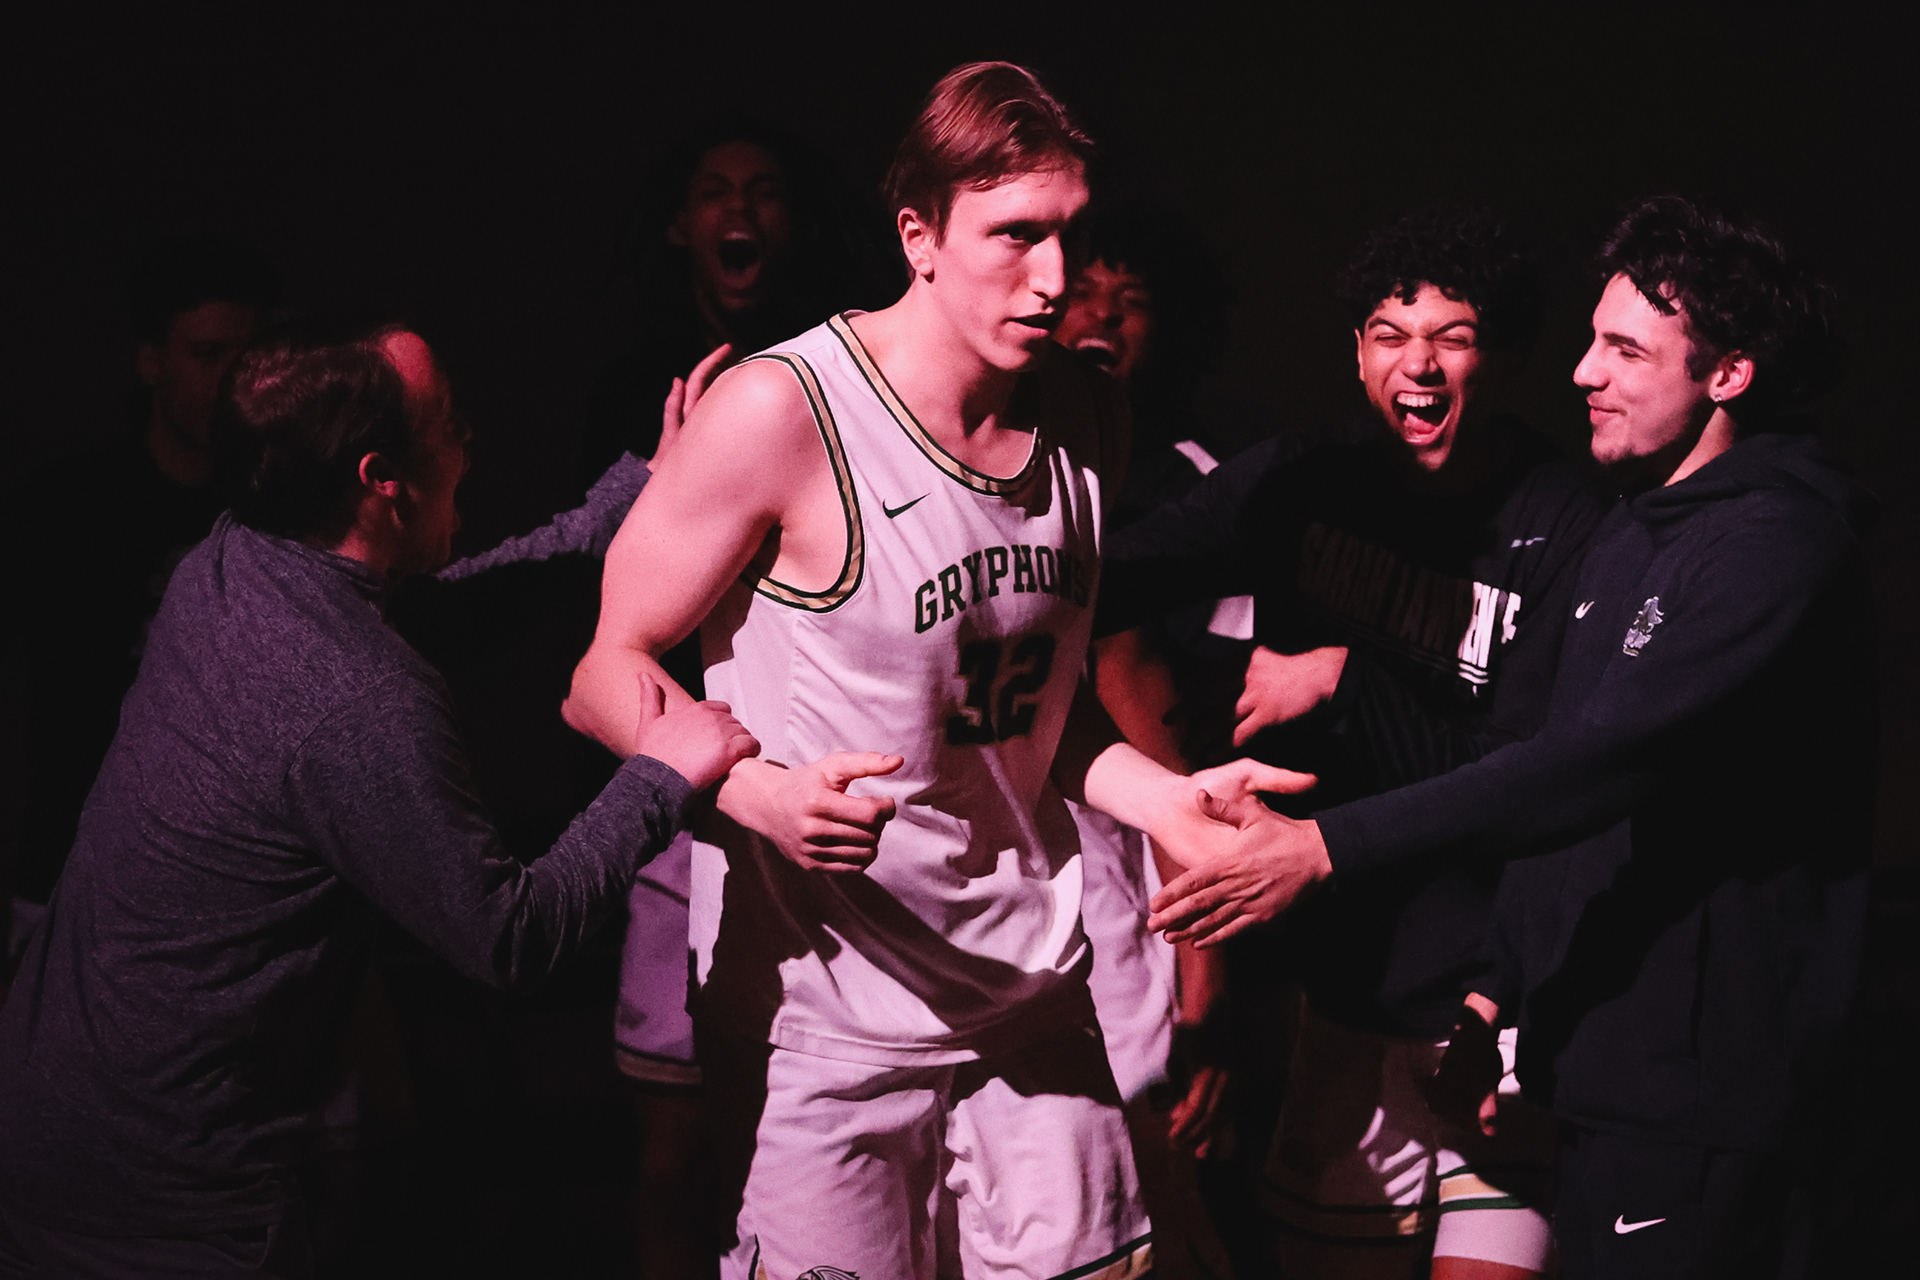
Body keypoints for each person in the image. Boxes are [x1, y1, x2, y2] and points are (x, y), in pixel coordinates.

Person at [564, 62, 1305, 1280]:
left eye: (1071, 236)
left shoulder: (1084, 414)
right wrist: (754, 794)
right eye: (1016, 237)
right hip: (828, 1023)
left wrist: (1168, 802)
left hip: (1029, 994)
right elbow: (602, 671)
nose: (1057, 279)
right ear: (919, 235)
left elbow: (1019, 711)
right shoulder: (783, 411)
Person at [1152, 196, 1870, 1280]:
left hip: (1703, 1087)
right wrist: (1501, 988)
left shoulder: (1770, 541)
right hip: (1573, 1056)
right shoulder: (1637, 524)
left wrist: (1321, 837)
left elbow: (1581, 767)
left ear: (1728, 373)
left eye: (1625, 348)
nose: (1587, 371)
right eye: (1591, 339)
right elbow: (1554, 777)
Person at [0, 328, 757, 1275]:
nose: (469, 445)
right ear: (382, 478)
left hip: (48, 1119)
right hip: (161, 1194)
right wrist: (660, 778)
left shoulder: (235, 561)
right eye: (452, 426)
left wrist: (641, 489)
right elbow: (507, 938)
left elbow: (449, 610)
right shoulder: (354, 699)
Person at [1097, 206, 1605, 1279]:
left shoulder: (1566, 518)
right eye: (1387, 332)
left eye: (1451, 335)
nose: (1416, 364)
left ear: (1503, 354)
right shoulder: (1304, 481)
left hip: (1496, 998)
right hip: (1344, 999)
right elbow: (1110, 580)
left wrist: (1342, 672)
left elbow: (1531, 762)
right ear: (1358, 354)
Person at [1053, 207, 1240, 1280]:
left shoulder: (1190, 483)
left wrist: (1203, 984)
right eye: (1087, 286)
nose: (1103, 314)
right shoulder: (983, 460)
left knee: (1156, 1200)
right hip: (985, 918)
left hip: (1146, 888)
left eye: (1133, 298)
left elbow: (1161, 737)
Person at [8, 234, 278, 971]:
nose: (228, 382)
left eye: (243, 358)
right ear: (152, 359)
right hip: (71, 877)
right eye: (206, 353)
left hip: (227, 896)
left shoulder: (280, 520)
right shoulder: (66, 515)